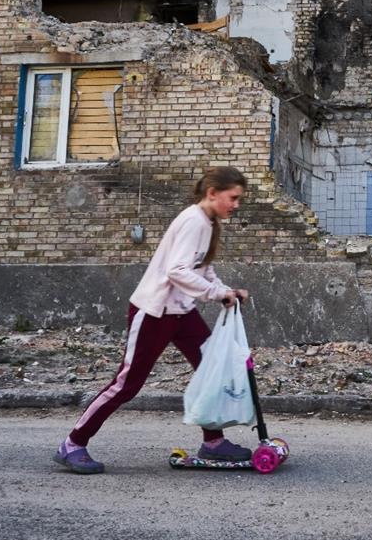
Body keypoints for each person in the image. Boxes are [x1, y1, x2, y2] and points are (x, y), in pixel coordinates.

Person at [53, 166, 252, 475]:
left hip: (181, 312)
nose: (236, 205)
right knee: (127, 384)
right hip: (155, 311)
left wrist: (226, 291)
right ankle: (73, 444)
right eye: (233, 198)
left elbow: (202, 269)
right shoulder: (193, 220)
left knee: (210, 370)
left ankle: (213, 442)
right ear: (213, 193)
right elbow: (177, 270)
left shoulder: (209, 223)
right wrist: (215, 294)